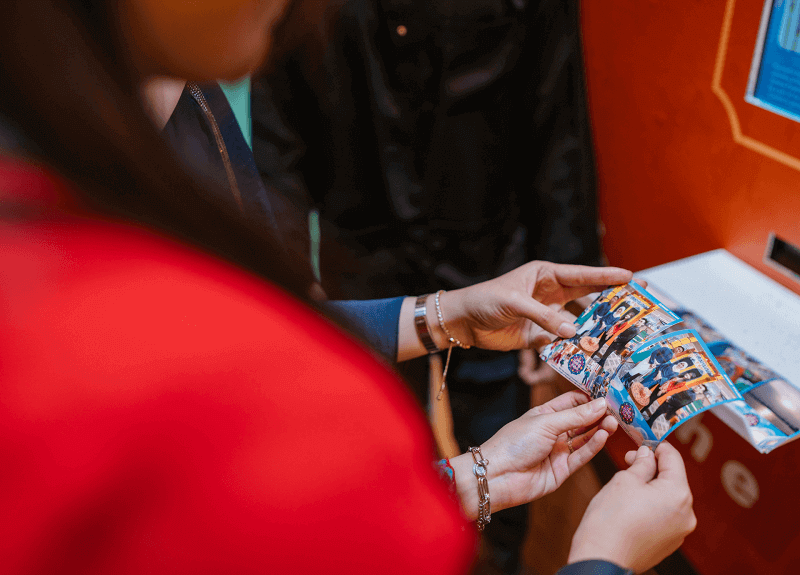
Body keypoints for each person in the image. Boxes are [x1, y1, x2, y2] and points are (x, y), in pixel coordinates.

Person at [0, 1, 696, 574]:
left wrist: (473, 470)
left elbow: (557, 132)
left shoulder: (185, 108)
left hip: (478, 250)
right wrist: (604, 560)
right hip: (364, 251)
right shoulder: (262, 395)